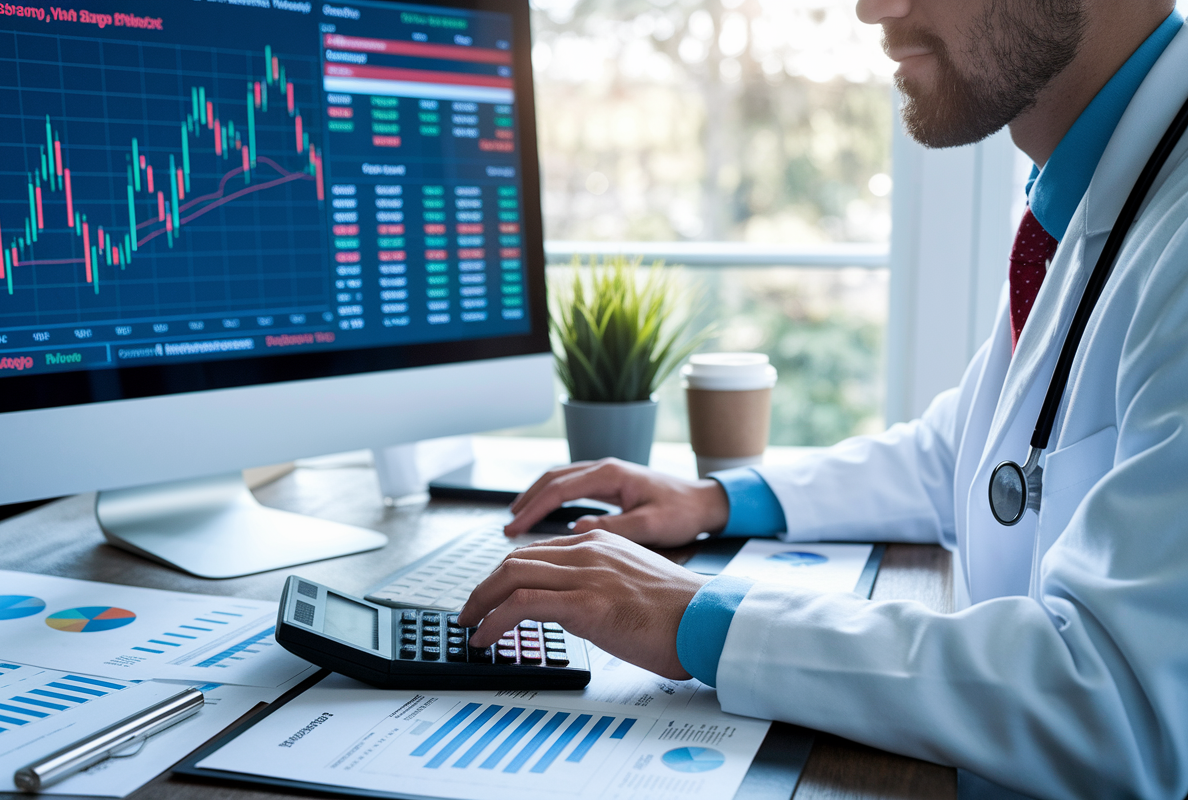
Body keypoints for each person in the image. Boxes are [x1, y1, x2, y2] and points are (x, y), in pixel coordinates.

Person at [456, 0, 1188, 797]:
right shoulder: (1089, 197)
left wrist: (704, 619)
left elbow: (1126, 699)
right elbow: (971, 457)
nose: (873, 6)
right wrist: (715, 501)